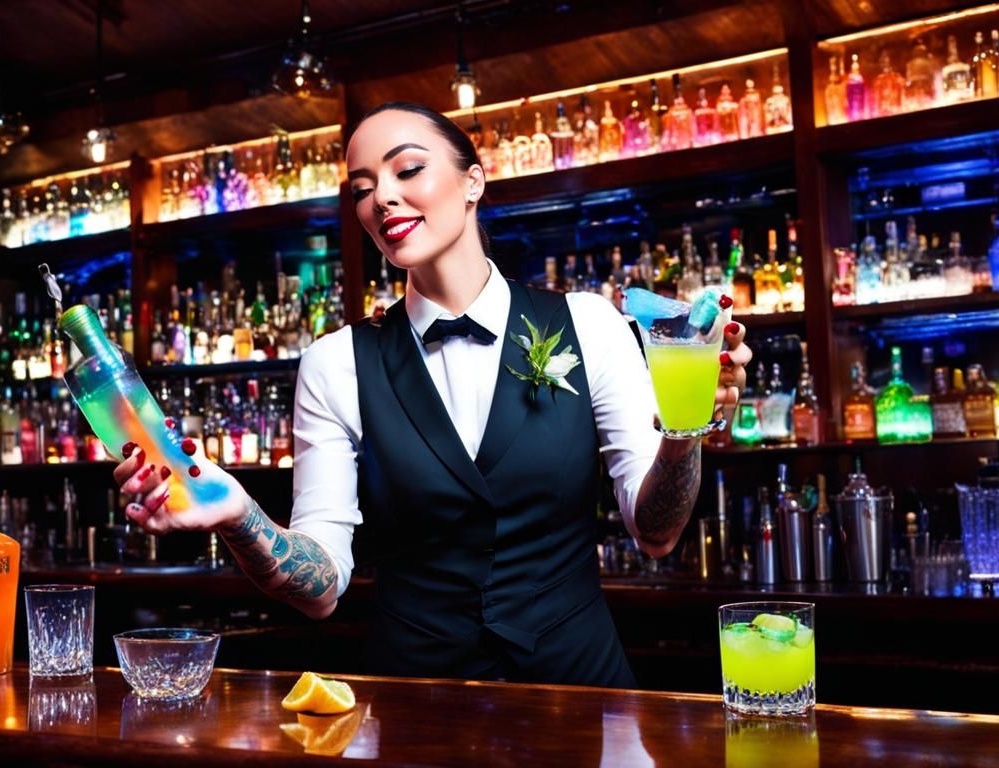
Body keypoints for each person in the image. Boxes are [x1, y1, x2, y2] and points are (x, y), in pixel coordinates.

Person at [114, 101, 751, 688]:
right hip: (420, 703)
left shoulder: (589, 324)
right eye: (362, 191)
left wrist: (686, 424)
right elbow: (321, 588)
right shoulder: (336, 363)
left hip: (579, 695)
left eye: (408, 169)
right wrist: (239, 516)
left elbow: (657, 532)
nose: (382, 198)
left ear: (473, 181)